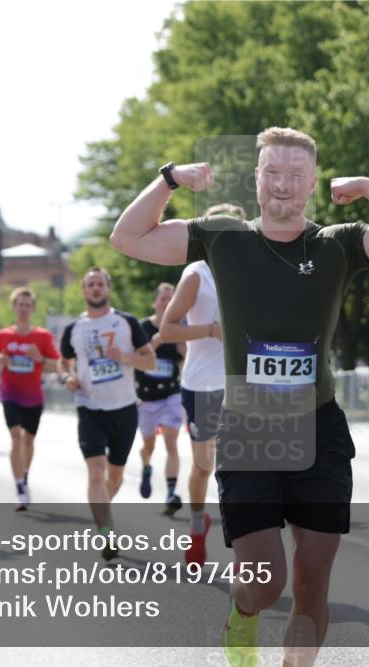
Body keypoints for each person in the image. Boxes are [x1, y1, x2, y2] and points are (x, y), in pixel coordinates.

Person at [111, 126, 369, 666]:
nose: (283, 185)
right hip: (248, 430)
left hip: (319, 429)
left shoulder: (337, 243)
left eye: (295, 175)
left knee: (312, 584)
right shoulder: (223, 236)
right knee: (264, 584)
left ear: (313, 181)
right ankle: (242, 617)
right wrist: (170, 179)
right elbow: (127, 238)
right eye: (272, 173)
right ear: (257, 179)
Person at [57, 267, 157, 563]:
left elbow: (150, 361)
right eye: (90, 284)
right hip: (90, 408)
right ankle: (105, 531)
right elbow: (63, 362)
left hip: (125, 409)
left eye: (100, 284)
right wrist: (67, 377)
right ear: (84, 291)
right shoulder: (74, 329)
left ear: (107, 289)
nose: (96, 288)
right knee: (97, 472)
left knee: (115, 476)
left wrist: (124, 357)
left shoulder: (125, 322)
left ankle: (102, 511)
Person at [158, 204, 238, 566]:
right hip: (202, 384)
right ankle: (196, 525)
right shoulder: (197, 274)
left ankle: (245, 541)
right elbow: (168, 329)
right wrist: (210, 330)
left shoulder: (251, 272)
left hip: (242, 383)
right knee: (204, 465)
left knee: (242, 465)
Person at [0, 287, 60, 510]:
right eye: (20, 304)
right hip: (10, 392)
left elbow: (56, 365)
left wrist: (39, 359)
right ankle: (19, 485)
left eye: (28, 305)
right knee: (16, 436)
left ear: (33, 309)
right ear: (14, 307)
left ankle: (24, 475)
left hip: (33, 396)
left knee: (28, 440)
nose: (24, 309)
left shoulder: (43, 336)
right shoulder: (3, 335)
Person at [134, 282, 187, 514]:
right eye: (163, 299)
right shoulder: (141, 327)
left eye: (171, 299)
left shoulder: (181, 327)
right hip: (146, 396)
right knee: (149, 445)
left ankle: (170, 491)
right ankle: (146, 467)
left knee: (171, 442)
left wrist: (179, 339)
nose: (166, 303)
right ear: (155, 302)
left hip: (171, 394)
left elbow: (187, 358)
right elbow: (135, 358)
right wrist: (156, 341)